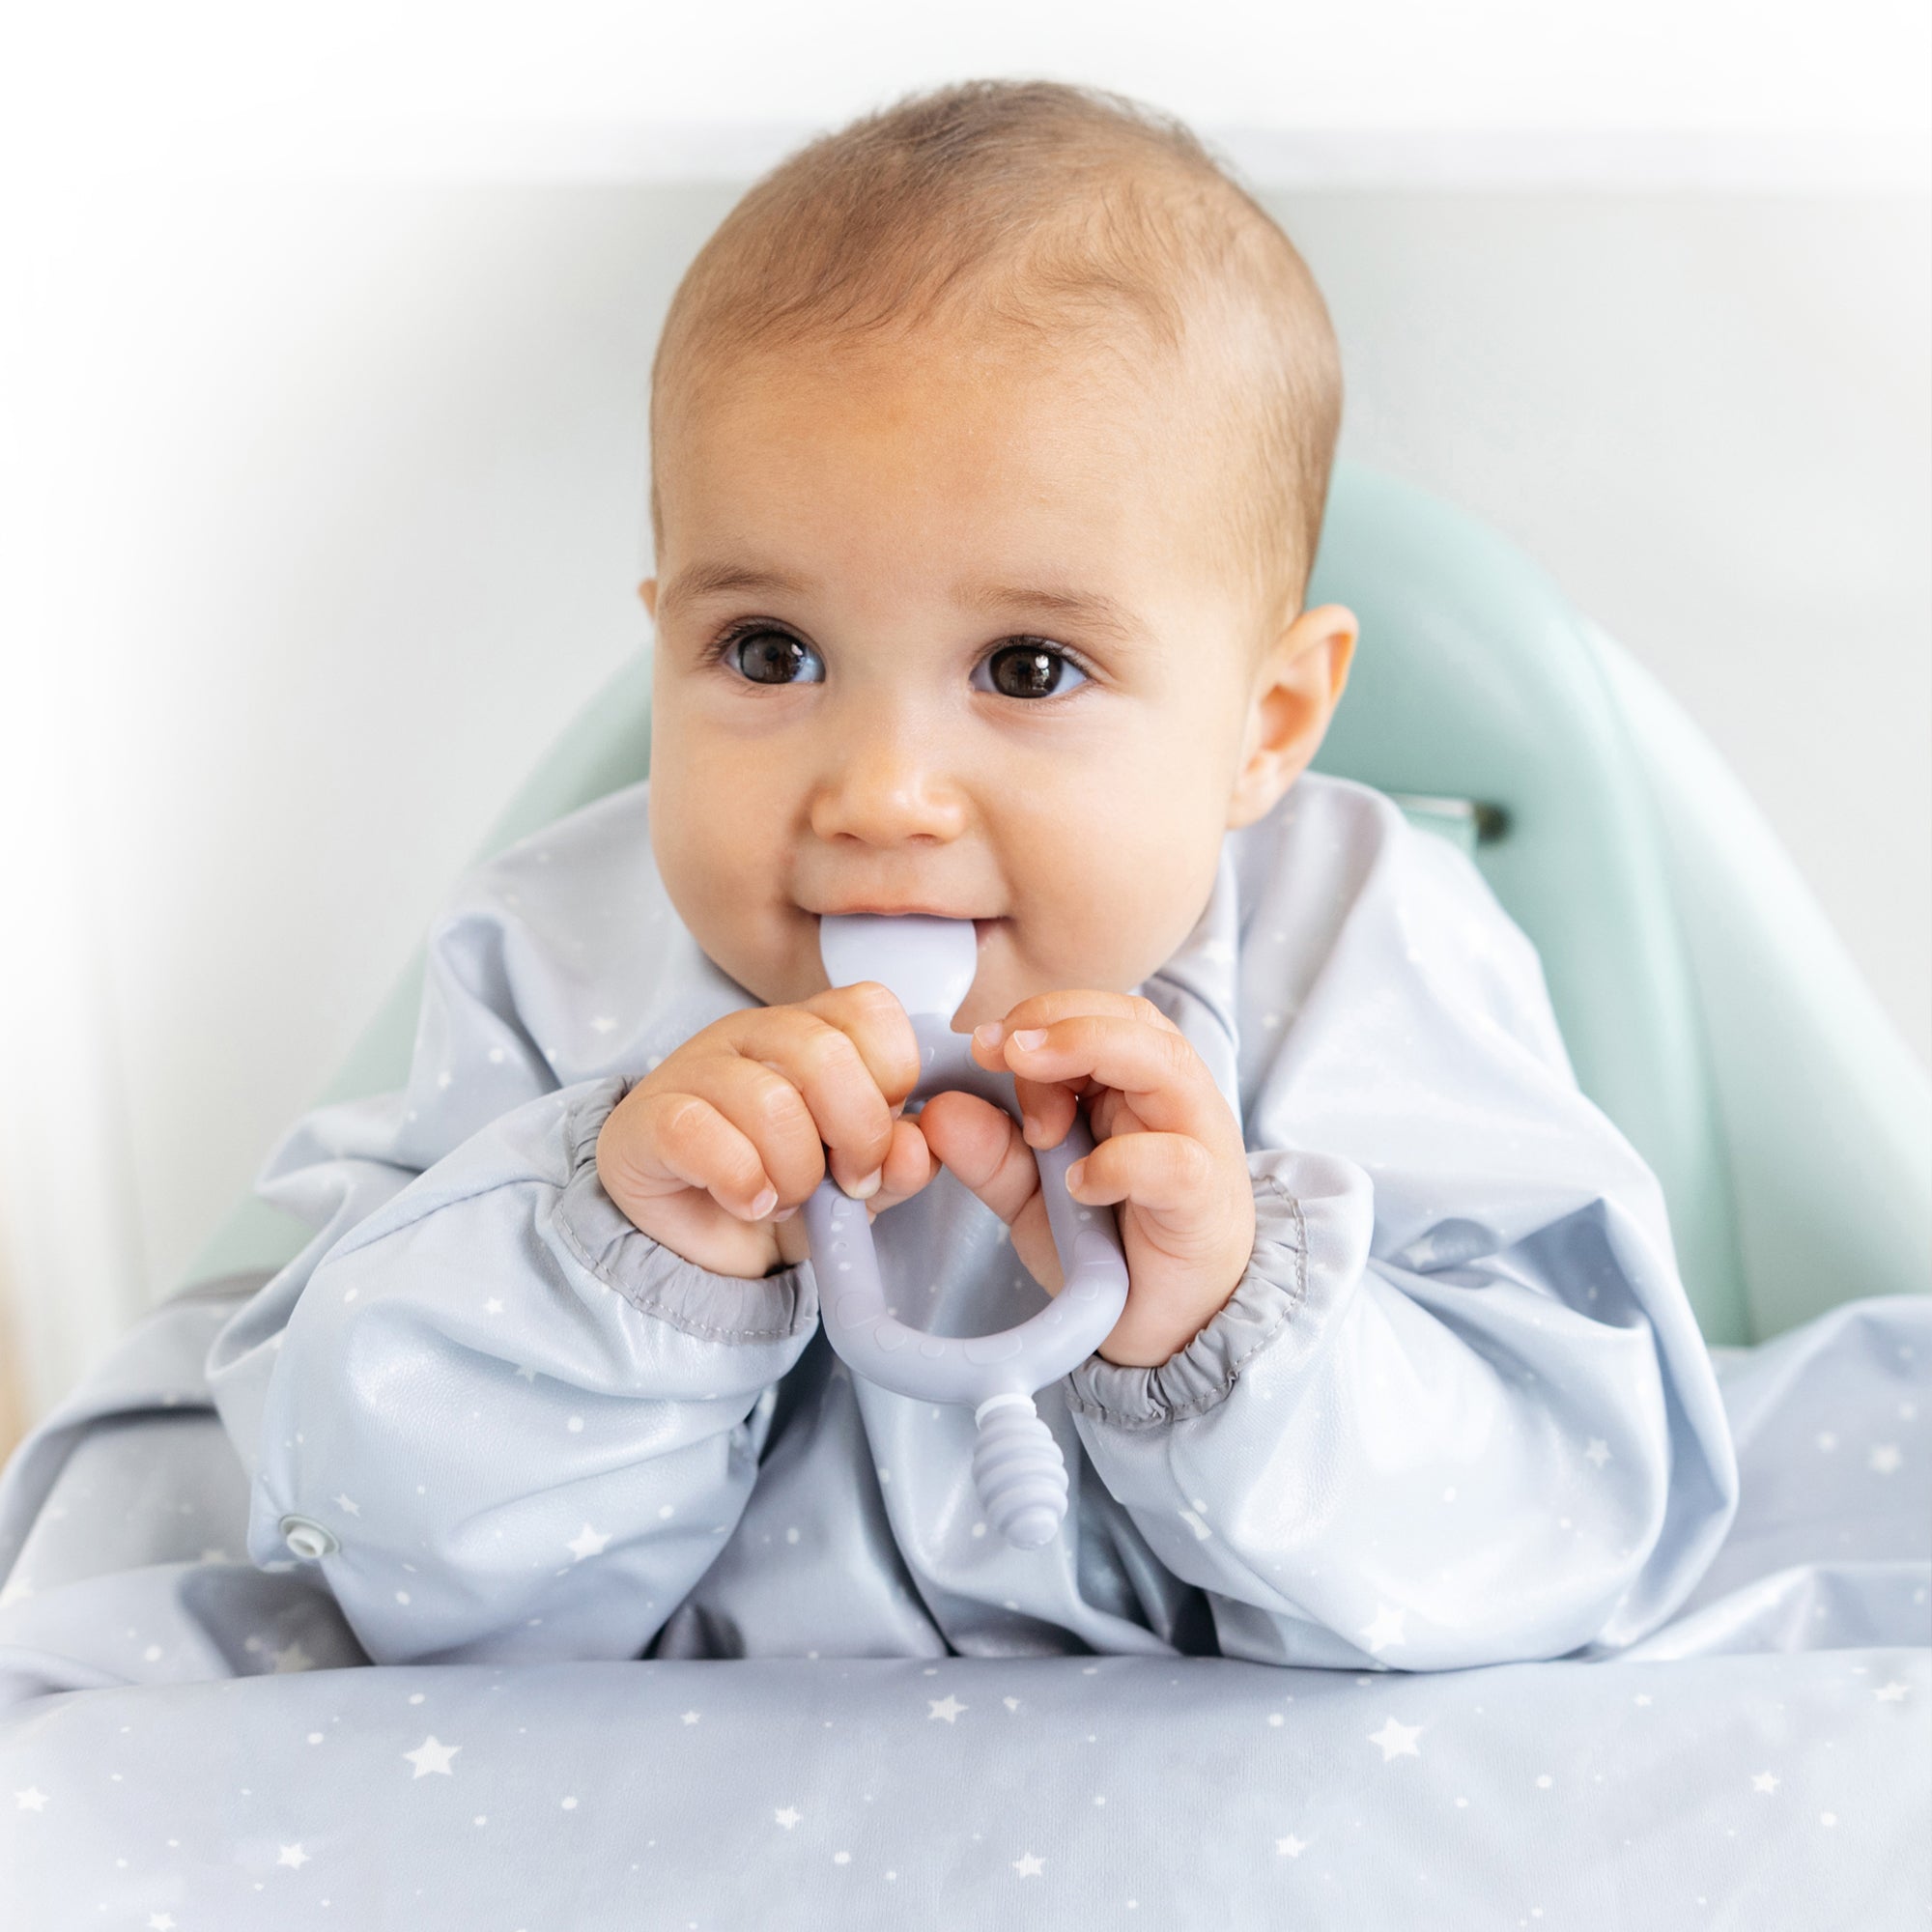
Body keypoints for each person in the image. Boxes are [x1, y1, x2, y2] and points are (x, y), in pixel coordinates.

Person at [207, 78, 1737, 1670]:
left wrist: (1238, 1334)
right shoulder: (557, 953)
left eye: (1025, 667)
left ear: (1263, 725)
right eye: (769, 649)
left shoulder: (1358, 944)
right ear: (664, 635)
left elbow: (1565, 1512)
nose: (881, 795)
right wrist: (613, 1269)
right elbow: (377, 1552)